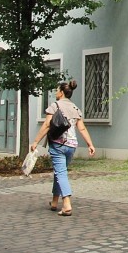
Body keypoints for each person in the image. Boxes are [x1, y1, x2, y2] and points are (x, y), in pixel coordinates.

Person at [29, 79, 95, 216]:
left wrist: (35, 141)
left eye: (56, 90)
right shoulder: (76, 108)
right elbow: (82, 129)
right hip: (71, 146)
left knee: (61, 173)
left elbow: (47, 125)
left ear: (61, 93)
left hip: (58, 144)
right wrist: (90, 144)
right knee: (60, 172)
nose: (55, 92)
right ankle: (54, 201)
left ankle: (66, 204)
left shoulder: (55, 106)